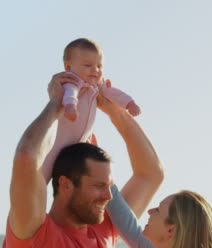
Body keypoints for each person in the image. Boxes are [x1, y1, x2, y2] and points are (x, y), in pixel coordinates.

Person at [2, 72, 163, 248]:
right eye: (99, 186)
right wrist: (56, 103)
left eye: (109, 185)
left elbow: (151, 174)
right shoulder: (35, 236)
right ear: (65, 185)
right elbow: (26, 158)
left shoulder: (106, 230)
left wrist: (114, 111)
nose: (108, 196)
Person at [40, 38, 141, 181]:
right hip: (60, 140)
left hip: (81, 141)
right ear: (68, 67)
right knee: (45, 169)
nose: (95, 70)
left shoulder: (97, 86)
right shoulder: (72, 82)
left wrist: (130, 103)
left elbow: (114, 93)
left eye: (99, 66)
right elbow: (70, 93)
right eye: (88, 65)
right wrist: (70, 106)